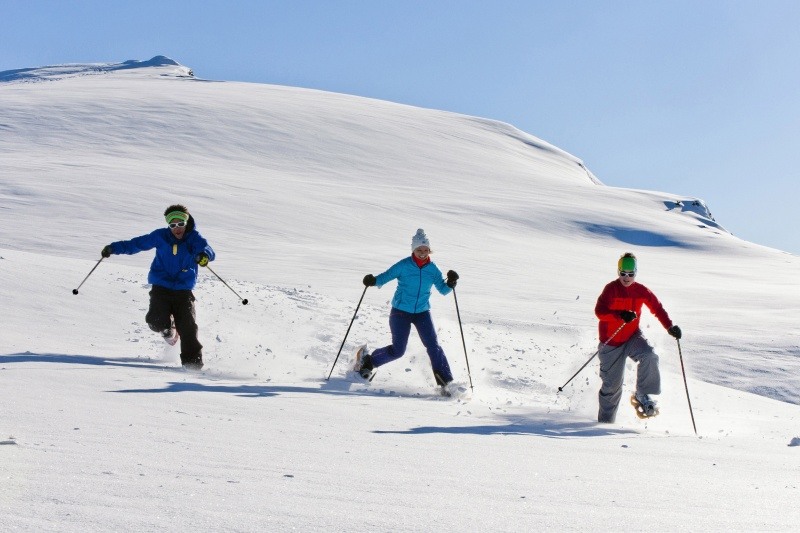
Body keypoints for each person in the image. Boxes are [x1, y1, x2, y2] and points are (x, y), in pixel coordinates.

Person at [101, 204, 215, 370]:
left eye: (180, 224)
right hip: (161, 286)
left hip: (183, 290)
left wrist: (204, 256)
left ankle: (193, 366)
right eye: (173, 225)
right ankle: (169, 330)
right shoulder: (160, 236)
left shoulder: (193, 238)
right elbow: (136, 244)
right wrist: (113, 248)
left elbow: (208, 250)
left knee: (188, 328)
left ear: (186, 222)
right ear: (168, 225)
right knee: (155, 321)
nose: (177, 229)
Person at [356, 229, 459, 392]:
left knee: (433, 346)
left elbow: (443, 290)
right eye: (419, 250)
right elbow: (385, 276)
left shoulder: (433, 269)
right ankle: (368, 361)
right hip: (400, 312)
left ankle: (446, 382)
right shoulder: (404, 265)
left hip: (422, 312)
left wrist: (451, 283)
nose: (423, 253)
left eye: (426, 250)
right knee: (398, 350)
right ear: (413, 250)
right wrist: (373, 280)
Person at [594, 252, 681, 422]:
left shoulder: (641, 291)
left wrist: (669, 327)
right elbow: (600, 312)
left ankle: (642, 394)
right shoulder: (610, 289)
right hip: (611, 343)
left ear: (636, 273)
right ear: (618, 272)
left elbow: (657, 308)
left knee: (649, 356)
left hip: (632, 337)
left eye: (630, 274)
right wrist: (620, 315)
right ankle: (605, 424)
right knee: (612, 387)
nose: (626, 278)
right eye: (623, 274)